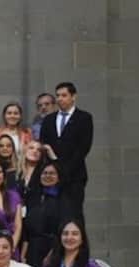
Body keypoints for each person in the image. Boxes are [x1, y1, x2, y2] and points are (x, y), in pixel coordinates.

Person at [39, 82, 94, 222]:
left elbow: (83, 148)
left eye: (64, 95)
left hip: (74, 176)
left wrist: (63, 170)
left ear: (73, 97)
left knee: (73, 215)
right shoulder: (49, 120)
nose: (60, 99)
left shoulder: (84, 118)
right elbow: (43, 144)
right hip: (51, 177)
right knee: (52, 215)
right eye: (58, 96)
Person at [22, 162, 73, 267]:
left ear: (58, 177)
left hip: (52, 247)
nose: (48, 176)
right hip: (32, 248)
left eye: (52, 173)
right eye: (44, 173)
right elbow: (25, 227)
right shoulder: (31, 196)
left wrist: (53, 253)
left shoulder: (64, 199)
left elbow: (64, 227)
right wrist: (23, 254)